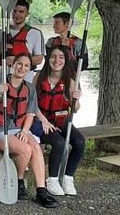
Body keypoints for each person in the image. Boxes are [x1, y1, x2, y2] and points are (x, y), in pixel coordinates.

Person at [0, 52, 57, 208]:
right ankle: (19, 181)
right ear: (12, 65)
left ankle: (41, 190)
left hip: (19, 128)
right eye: (19, 64)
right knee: (25, 150)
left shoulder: (29, 88)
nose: (21, 68)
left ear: (29, 69)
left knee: (36, 148)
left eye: (26, 66)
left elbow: (30, 114)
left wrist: (24, 131)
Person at [33, 45, 85, 196]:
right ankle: (52, 180)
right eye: (54, 57)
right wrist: (43, 121)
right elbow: (32, 104)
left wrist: (76, 99)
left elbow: (75, 109)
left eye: (61, 57)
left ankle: (68, 177)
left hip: (61, 119)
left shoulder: (70, 82)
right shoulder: (39, 78)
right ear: (48, 59)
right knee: (59, 143)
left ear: (65, 60)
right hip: (40, 121)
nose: (57, 60)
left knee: (80, 142)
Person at [0, 0, 45, 82]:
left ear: (27, 14)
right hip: (3, 78)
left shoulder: (36, 33)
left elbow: (39, 59)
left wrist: (17, 60)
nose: (17, 14)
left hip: (25, 79)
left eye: (21, 12)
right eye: (14, 11)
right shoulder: (1, 33)